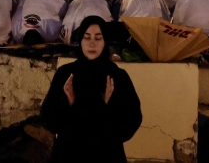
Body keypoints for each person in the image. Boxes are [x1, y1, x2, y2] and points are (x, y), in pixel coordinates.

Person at [41, 16, 142, 163]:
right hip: (68, 154)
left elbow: (131, 121)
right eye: (87, 37)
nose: (92, 44)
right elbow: (48, 119)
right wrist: (67, 101)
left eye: (98, 38)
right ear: (80, 41)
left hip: (107, 155)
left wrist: (109, 106)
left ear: (105, 41)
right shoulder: (66, 74)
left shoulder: (117, 77)